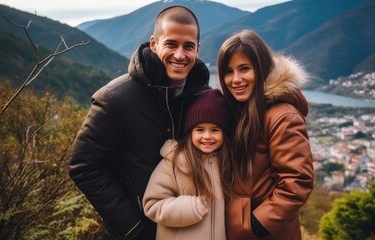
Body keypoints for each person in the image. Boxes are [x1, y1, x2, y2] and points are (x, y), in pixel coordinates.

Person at [68, 6, 210, 240]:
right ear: (154, 44)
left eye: (189, 46)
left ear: (198, 49)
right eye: (171, 44)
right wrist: (133, 227)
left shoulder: (202, 98)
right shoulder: (114, 98)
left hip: (186, 231)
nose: (180, 55)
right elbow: (84, 167)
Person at [217, 29, 314, 240]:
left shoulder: (282, 116)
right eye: (228, 71)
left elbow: (297, 182)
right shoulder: (238, 109)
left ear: (261, 69)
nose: (235, 79)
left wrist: (255, 225)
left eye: (244, 69)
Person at [142, 89, 233, 240]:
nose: (207, 136)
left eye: (215, 130)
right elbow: (152, 205)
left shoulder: (227, 162)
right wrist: (192, 207)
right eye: (200, 130)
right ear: (190, 132)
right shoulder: (174, 161)